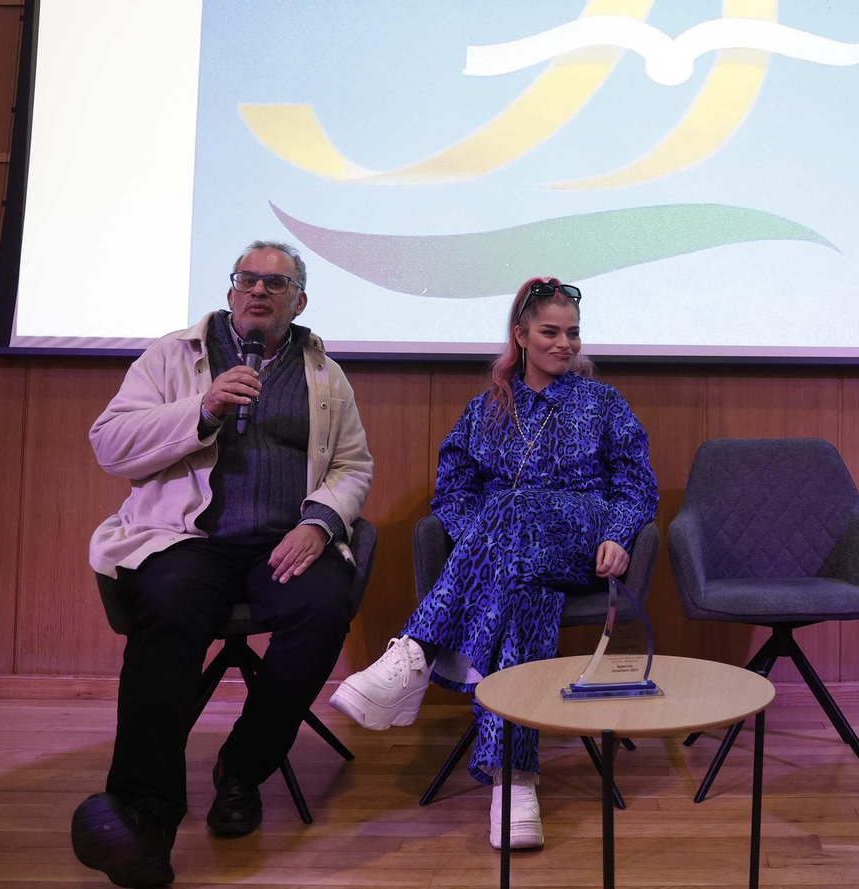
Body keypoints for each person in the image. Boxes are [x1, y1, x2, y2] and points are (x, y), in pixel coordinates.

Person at [73, 241, 373, 888]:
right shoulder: (171, 356)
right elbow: (110, 444)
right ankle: (144, 819)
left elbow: (352, 465)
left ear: (300, 300)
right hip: (189, 539)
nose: (260, 291)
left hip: (283, 541)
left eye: (277, 283)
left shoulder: (326, 374)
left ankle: (241, 768)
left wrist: (320, 522)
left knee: (324, 608)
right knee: (167, 609)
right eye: (248, 279)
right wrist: (202, 409)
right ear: (232, 289)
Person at [329, 276, 657, 850]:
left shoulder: (604, 404)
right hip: (522, 561)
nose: (565, 344)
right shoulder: (486, 410)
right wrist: (489, 545)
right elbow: (451, 493)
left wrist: (619, 535)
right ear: (520, 334)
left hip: (581, 541)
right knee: (521, 582)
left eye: (573, 333)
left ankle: (414, 653)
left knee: (510, 504)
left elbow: (636, 486)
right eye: (550, 332)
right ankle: (516, 780)